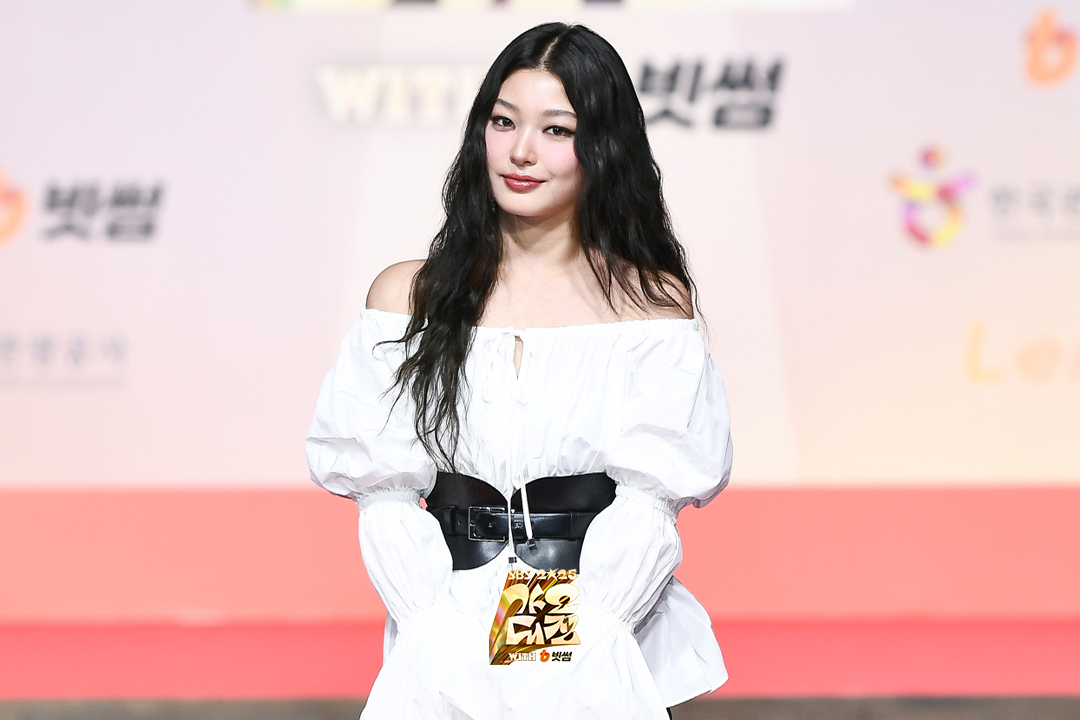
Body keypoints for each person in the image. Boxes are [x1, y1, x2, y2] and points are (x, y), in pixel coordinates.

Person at [306, 22, 732, 720]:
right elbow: (384, 496)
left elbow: (647, 503)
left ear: (604, 146)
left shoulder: (645, 307)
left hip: (586, 607)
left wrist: (556, 646)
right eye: (504, 122)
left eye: (556, 129)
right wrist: (436, 633)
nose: (521, 151)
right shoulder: (409, 297)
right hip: (441, 607)